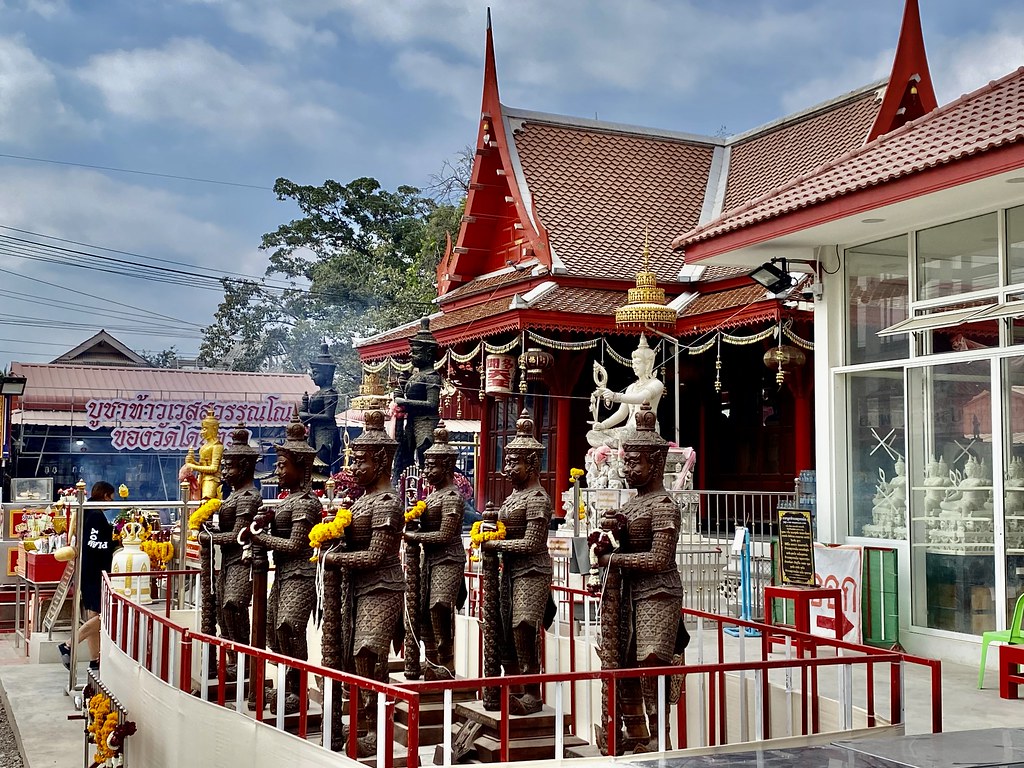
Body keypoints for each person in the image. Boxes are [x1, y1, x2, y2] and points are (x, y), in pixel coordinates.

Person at [593, 402, 689, 754]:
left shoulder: (664, 505)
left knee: (651, 661)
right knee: (626, 660)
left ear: (657, 463)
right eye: (626, 460)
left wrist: (613, 558)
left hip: (658, 592)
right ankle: (634, 732)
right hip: (630, 593)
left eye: (635, 462)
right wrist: (612, 529)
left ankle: (658, 734)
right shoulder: (632, 504)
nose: (627, 468)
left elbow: (660, 558)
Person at [322, 409, 404, 755]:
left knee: (368, 654)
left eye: (360, 462)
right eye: (353, 461)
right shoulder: (362, 500)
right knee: (351, 657)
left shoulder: (388, 503)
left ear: (382, 461)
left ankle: (374, 727)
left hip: (382, 586)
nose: (354, 469)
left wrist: (333, 557)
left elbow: (376, 556)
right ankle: (358, 722)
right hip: (357, 590)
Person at [481, 408, 553, 716]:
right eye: (507, 461)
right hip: (510, 570)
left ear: (533, 463)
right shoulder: (512, 497)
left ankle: (531, 691)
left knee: (523, 624)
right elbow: (503, 527)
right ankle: (513, 685)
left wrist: (494, 542)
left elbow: (532, 543)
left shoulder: (538, 499)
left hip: (532, 569)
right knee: (505, 628)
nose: (508, 468)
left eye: (514, 462)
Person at [249, 409, 321, 713]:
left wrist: (261, 538)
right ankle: (288, 681)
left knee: (289, 625)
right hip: (283, 575)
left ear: (301, 466)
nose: (278, 470)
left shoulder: (306, 503)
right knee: (272, 628)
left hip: (301, 573)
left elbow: (294, 544)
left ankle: (298, 685)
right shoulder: (287, 500)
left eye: (283, 464)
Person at [403, 421, 467, 680]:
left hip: (448, 558)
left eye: (433, 466)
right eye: (426, 466)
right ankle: (432, 659)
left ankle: (445, 659)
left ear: (448, 467)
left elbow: (444, 535)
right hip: (429, 560)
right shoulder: (431, 497)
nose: (428, 472)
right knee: (422, 610)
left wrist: (414, 535)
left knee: (439, 605)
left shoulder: (452, 497)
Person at [58, 481, 116, 672]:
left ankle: (95, 659)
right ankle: (69, 644)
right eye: (111, 496)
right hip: (95, 571)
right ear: (105, 495)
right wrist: (114, 545)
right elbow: (94, 545)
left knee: (94, 615)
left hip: (86, 570)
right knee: (104, 616)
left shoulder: (85, 511)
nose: (113, 501)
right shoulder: (95, 516)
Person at [586, 334, 664, 449]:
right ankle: (618, 443)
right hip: (627, 430)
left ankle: (618, 444)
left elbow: (641, 399)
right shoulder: (631, 387)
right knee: (592, 435)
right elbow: (622, 414)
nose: (634, 367)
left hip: (645, 432)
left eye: (637, 363)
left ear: (648, 364)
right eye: (633, 363)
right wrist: (603, 425)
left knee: (621, 437)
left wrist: (616, 396)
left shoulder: (656, 384)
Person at [392, 317, 441, 485]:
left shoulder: (431, 377)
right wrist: (400, 393)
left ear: (428, 354)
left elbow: (432, 404)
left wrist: (406, 403)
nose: (411, 354)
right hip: (412, 423)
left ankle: (427, 487)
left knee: (424, 455)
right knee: (406, 458)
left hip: (426, 423)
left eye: (416, 351)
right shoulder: (415, 376)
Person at [299, 342, 340, 470]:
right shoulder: (317, 393)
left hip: (325, 432)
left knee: (321, 465)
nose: (313, 377)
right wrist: (304, 406)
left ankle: (322, 489)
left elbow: (328, 416)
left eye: (316, 373)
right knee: (312, 465)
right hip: (315, 431)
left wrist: (307, 416)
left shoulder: (330, 393)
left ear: (326, 374)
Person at [183, 409, 224, 501]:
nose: (202, 432)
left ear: (213, 429)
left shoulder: (217, 446)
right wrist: (193, 462)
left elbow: (213, 468)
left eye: (205, 429)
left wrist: (193, 465)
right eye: (202, 429)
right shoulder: (205, 446)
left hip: (211, 479)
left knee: (206, 504)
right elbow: (203, 466)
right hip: (202, 478)